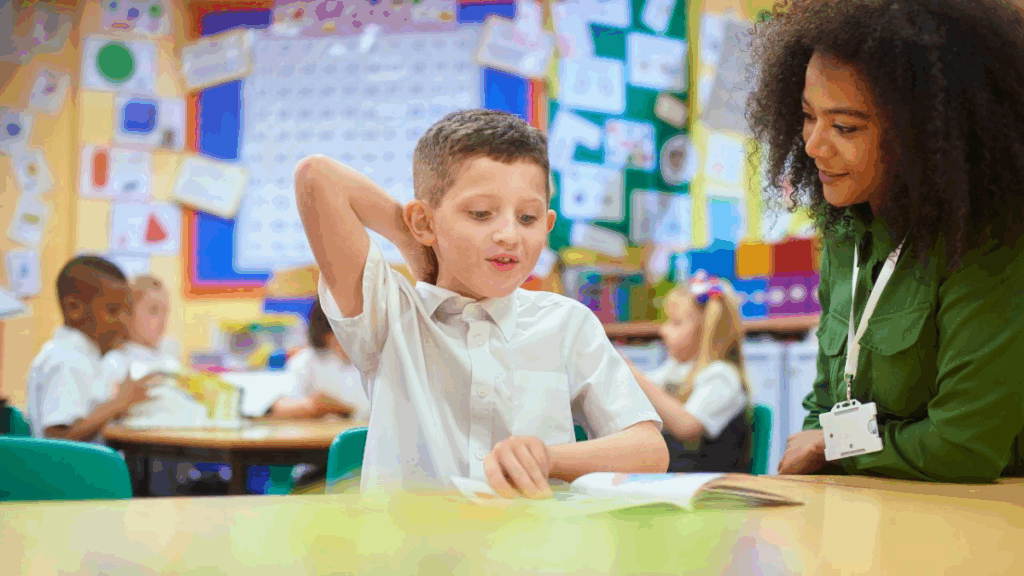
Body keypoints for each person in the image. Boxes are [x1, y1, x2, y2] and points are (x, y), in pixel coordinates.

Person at [295, 109, 668, 498]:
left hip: (535, 551)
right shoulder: (391, 314)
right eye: (480, 214)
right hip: (411, 553)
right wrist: (413, 243)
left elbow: (649, 451)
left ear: (548, 224)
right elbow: (316, 177)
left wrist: (548, 458)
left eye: (527, 217)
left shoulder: (566, 323)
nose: (508, 234)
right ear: (422, 221)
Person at [747, 0, 1024, 481]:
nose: (813, 144)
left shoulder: (988, 245)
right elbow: (823, 405)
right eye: (808, 115)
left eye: (845, 126)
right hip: (872, 510)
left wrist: (832, 447)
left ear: (927, 135)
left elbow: (961, 445)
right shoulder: (842, 230)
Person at [626, 276, 752, 473]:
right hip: (676, 479)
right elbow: (642, 391)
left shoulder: (722, 376)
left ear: (707, 331)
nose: (663, 330)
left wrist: (634, 374)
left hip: (711, 490)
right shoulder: (676, 368)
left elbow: (687, 427)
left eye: (676, 323)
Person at [25, 256, 153, 442]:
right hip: (71, 471)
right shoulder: (66, 360)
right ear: (74, 309)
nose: (124, 322)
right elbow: (58, 438)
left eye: (128, 312)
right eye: (113, 310)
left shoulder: (87, 358)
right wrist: (118, 403)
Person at [267, 298, 370, 420]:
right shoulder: (307, 360)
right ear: (324, 333)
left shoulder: (376, 362)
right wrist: (312, 406)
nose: (344, 339)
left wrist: (344, 409)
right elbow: (278, 406)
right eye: (336, 332)